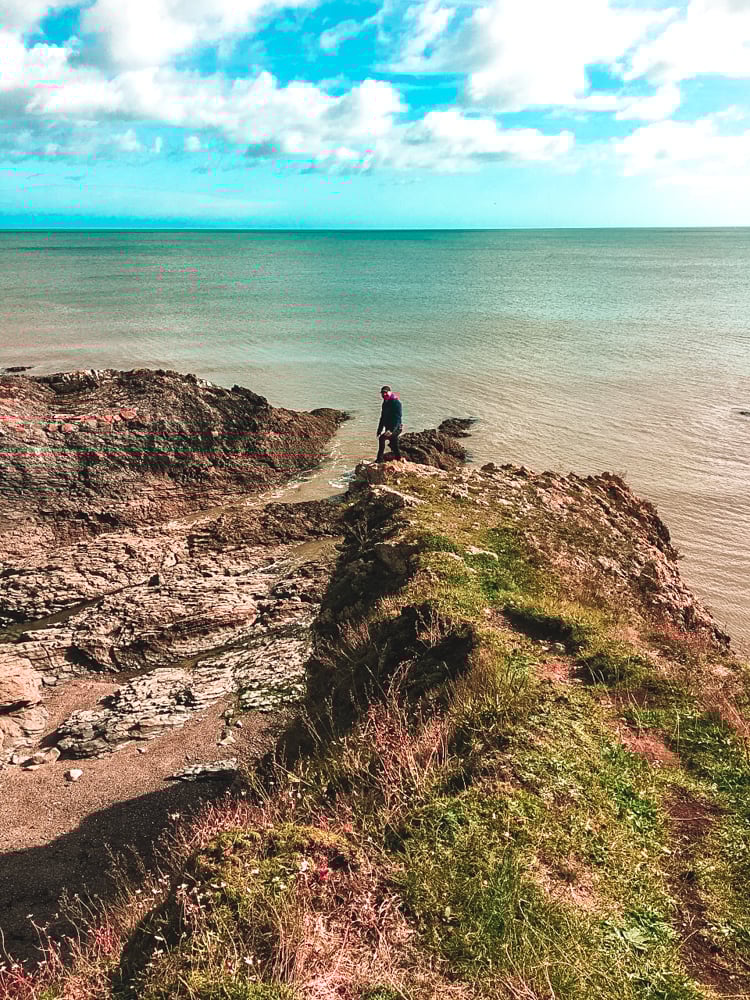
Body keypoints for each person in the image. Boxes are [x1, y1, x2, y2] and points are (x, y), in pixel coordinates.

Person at [376, 385, 403, 462]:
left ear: (390, 392)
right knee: (394, 444)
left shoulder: (396, 403)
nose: (384, 394)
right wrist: (379, 430)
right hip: (389, 427)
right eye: (382, 393)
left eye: (385, 393)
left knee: (382, 439)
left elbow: (398, 418)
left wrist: (391, 430)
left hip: (396, 428)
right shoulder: (385, 403)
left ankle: (379, 459)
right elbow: (382, 417)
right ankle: (398, 458)